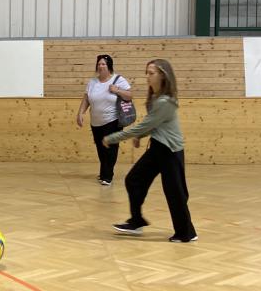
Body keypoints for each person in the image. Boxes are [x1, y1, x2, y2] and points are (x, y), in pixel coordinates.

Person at [102, 59, 197, 243]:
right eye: (146, 72)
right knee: (134, 180)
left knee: (175, 192)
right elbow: (154, 124)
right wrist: (140, 136)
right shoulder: (156, 98)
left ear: (163, 75)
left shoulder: (165, 101)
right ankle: (136, 221)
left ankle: (187, 233)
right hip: (157, 147)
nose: (147, 76)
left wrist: (112, 138)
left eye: (151, 73)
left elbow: (145, 125)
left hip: (170, 151)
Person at [76, 54, 132, 186]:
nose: (101, 66)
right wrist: (80, 112)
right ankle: (103, 173)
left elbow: (130, 95)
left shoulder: (118, 80)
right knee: (101, 148)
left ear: (109, 66)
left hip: (113, 120)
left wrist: (117, 90)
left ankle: (107, 176)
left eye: (103, 64)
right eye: (99, 64)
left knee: (110, 148)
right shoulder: (92, 82)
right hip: (96, 122)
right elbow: (86, 99)